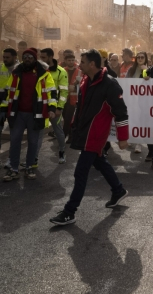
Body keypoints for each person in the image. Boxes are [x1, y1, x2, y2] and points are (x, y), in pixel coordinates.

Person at [49, 49, 129, 225]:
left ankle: (70, 211)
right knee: (99, 162)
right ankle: (118, 190)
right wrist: (74, 125)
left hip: (96, 134)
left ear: (92, 64)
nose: (80, 65)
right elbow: (81, 105)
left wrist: (123, 137)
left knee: (80, 172)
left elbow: (121, 112)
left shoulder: (110, 84)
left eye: (83, 62)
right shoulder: (86, 80)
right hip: (85, 132)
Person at [1, 48, 57, 181]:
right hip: (18, 113)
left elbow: (51, 92)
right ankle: (13, 169)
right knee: (14, 141)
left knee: (32, 142)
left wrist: (52, 108)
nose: (27, 59)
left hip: (35, 114)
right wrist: (3, 108)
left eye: (30, 57)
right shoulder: (16, 73)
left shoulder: (44, 73)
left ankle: (29, 167)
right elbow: (8, 93)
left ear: (34, 58)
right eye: (25, 57)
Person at [37, 47, 68, 165]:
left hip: (54, 108)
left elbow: (64, 92)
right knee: (38, 133)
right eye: (40, 57)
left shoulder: (61, 71)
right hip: (40, 107)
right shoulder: (38, 70)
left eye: (44, 57)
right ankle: (34, 158)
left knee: (58, 130)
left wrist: (59, 108)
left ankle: (61, 153)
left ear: (51, 57)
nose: (41, 59)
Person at [0, 47, 19, 168]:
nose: (5, 59)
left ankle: (11, 160)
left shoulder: (20, 70)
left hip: (14, 106)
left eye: (8, 57)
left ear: (14, 57)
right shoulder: (0, 68)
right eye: (4, 57)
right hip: (1, 105)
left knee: (14, 135)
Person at [62, 53, 81, 141]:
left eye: (72, 60)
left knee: (68, 118)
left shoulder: (79, 71)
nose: (71, 62)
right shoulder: (62, 71)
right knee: (66, 117)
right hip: (64, 98)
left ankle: (62, 136)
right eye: (69, 60)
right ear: (65, 61)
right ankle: (71, 135)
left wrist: (76, 85)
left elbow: (82, 84)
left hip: (73, 99)